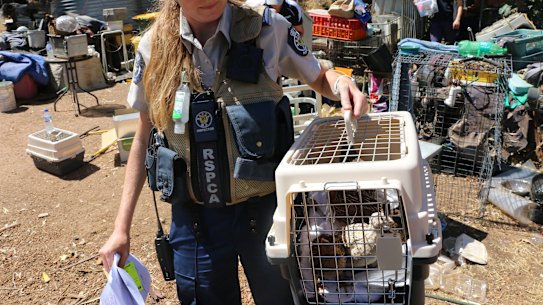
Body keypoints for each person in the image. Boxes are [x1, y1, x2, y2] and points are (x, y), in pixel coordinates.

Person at [98, 1, 367, 305]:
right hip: (195, 221)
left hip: (266, 213)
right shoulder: (153, 46)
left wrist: (342, 82)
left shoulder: (268, 28)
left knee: (284, 297)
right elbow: (143, 132)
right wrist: (121, 228)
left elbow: (318, 77)